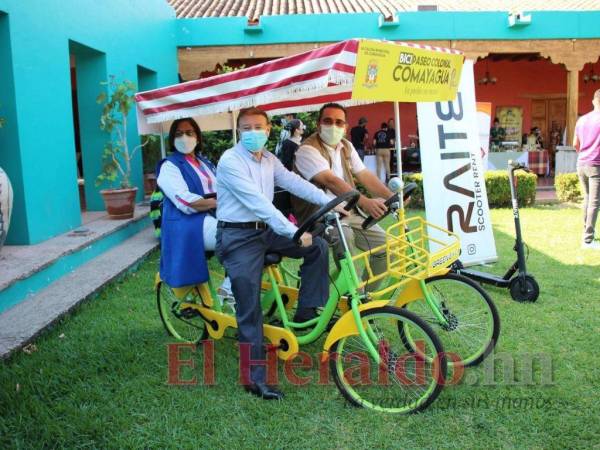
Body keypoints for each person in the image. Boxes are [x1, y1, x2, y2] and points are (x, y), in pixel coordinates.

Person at [216, 107, 336, 400]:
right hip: (237, 235)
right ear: (238, 132)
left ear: (269, 130)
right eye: (246, 128)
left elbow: (295, 183)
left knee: (317, 247)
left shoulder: (269, 159)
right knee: (249, 305)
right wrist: (293, 232)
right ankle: (254, 379)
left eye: (258, 127)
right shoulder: (230, 161)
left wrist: (332, 203)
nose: (252, 132)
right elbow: (260, 204)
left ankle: (307, 310)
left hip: (264, 232)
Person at [294, 103, 394, 290]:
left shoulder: (346, 146)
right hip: (320, 215)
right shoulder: (307, 150)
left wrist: (392, 196)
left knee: (389, 248)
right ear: (318, 124)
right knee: (345, 236)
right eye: (328, 121)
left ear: (345, 127)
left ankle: (366, 300)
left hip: (348, 212)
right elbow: (331, 181)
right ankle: (355, 293)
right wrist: (365, 202)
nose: (333, 126)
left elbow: (364, 175)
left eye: (339, 122)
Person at [157, 118, 231, 292]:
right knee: (235, 235)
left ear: (197, 137)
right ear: (172, 139)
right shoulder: (169, 166)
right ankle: (229, 289)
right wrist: (218, 203)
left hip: (213, 213)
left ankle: (236, 281)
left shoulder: (205, 162)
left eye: (189, 133)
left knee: (252, 229)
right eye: (179, 134)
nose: (184, 137)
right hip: (188, 221)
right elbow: (184, 201)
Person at [573, 88, 600, 249]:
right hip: (596, 164)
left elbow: (575, 144)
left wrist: (584, 153)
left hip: (581, 162)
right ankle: (588, 239)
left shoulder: (582, 120)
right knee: (594, 202)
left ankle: (586, 233)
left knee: (588, 199)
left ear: (593, 101)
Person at [274, 119, 305, 221]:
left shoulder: (298, 141)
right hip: (292, 177)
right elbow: (287, 162)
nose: (303, 128)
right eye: (301, 127)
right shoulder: (288, 143)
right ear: (296, 130)